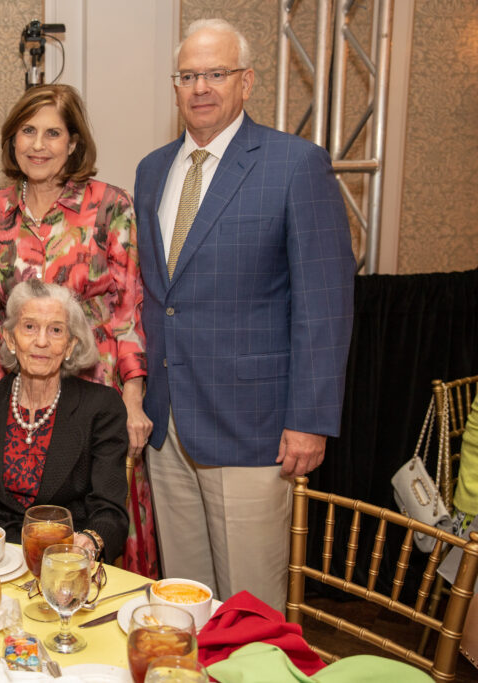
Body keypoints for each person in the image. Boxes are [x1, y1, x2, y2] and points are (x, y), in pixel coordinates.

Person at [133, 18, 355, 610]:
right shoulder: (153, 170)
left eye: (216, 73)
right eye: (187, 76)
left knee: (251, 606)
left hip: (254, 424)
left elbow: (325, 304)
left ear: (247, 81)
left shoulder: (295, 164)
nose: (200, 87)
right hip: (170, 421)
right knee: (184, 600)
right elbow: (163, 298)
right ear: (174, 86)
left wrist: (310, 419)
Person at [0, 84, 156, 575]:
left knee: (99, 519)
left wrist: (132, 401)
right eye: (28, 131)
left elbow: (129, 307)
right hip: (19, 393)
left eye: (53, 133)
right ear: (12, 139)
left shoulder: (110, 205)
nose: (38, 145)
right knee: (10, 510)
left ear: (73, 142)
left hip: (97, 390)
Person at [0, 279, 129, 563]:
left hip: (66, 559)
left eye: (56, 330)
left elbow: (109, 511)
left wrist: (88, 543)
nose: (42, 341)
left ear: (71, 344)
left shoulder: (101, 408)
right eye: (30, 327)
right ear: (11, 339)